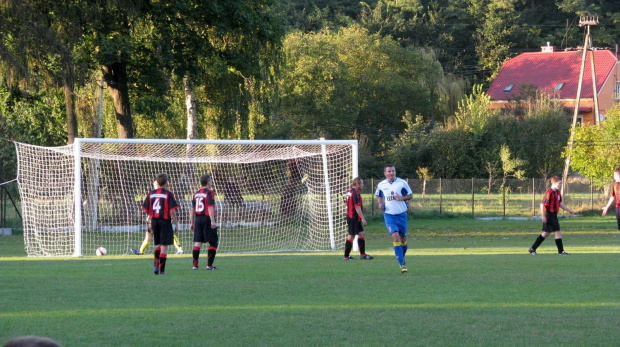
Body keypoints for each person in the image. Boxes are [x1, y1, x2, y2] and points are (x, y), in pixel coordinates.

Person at [375, 164, 413, 273]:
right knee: (395, 237)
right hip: (389, 215)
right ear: (385, 173)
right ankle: (402, 264)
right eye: (389, 171)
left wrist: (401, 198)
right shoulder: (381, 184)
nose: (391, 173)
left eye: (393, 171)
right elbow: (379, 195)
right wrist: (380, 204)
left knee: (403, 240)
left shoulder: (402, 183)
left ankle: (401, 256)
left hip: (401, 215)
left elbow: (410, 195)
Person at [141, 173, 180, 275]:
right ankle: (162, 270)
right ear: (167, 182)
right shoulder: (168, 194)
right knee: (164, 246)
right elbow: (172, 211)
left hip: (154, 221)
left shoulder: (151, 193)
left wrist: (152, 216)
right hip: (164, 221)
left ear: (157, 182)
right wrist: (176, 224)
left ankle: (155, 265)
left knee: (157, 244)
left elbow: (146, 208)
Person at [133, 179, 184, 255]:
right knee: (151, 235)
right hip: (161, 219)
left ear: (158, 184)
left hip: (156, 219)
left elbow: (146, 208)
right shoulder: (166, 194)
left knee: (160, 238)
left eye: (155, 185)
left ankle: (142, 251)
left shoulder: (153, 194)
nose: (154, 186)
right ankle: (141, 251)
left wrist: (150, 215)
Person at [528, 176, 575, 255]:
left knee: (546, 233)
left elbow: (560, 204)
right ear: (554, 183)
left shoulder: (558, 192)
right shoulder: (549, 192)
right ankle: (561, 251)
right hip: (549, 214)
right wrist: (543, 215)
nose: (560, 185)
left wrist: (569, 210)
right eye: (559, 183)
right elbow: (542, 204)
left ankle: (532, 248)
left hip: (553, 214)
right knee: (558, 231)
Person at [190, 174, 219, 270]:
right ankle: (209, 265)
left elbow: (192, 209)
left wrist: (192, 222)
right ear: (208, 182)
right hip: (207, 219)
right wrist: (212, 221)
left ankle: (195, 266)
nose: (211, 182)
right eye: (210, 180)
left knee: (198, 242)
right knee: (213, 242)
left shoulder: (196, 193)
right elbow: (210, 207)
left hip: (198, 219)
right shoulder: (209, 192)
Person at [343, 177, 373, 260]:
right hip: (353, 218)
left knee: (361, 234)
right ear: (357, 184)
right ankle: (346, 256)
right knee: (351, 236)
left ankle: (363, 255)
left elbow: (346, 203)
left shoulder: (349, 192)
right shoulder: (355, 193)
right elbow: (357, 207)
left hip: (353, 217)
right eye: (362, 183)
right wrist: (363, 218)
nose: (363, 185)